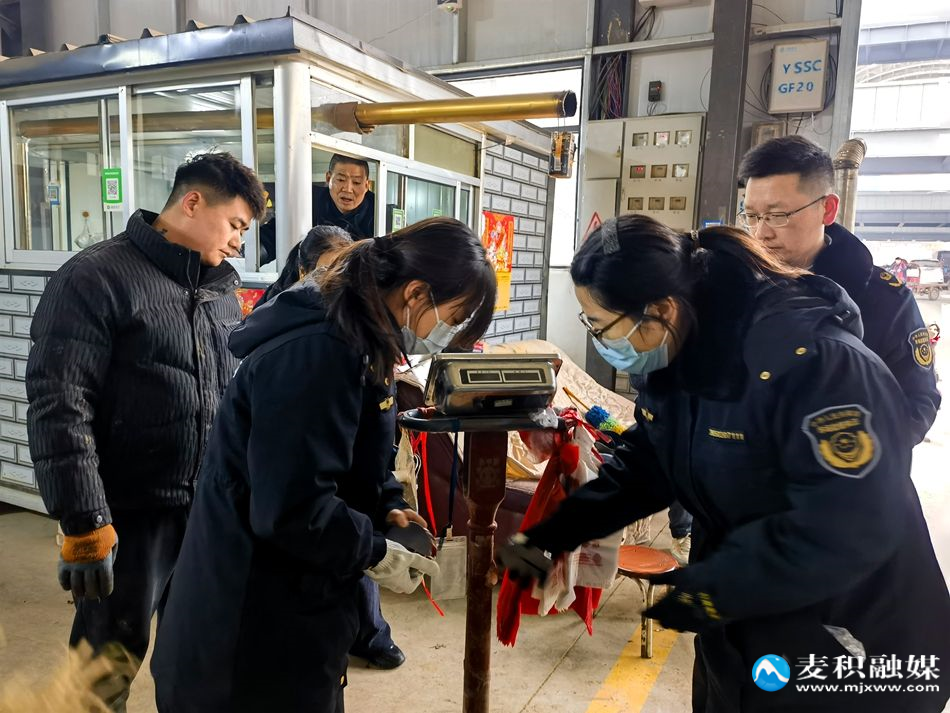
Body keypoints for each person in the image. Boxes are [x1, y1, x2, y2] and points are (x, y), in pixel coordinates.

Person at [498, 215, 950, 713]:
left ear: (661, 310)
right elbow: (649, 465)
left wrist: (716, 592)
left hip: (851, 638)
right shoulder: (683, 357)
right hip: (747, 633)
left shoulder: (817, 364)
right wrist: (553, 534)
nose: (600, 341)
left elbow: (848, 524)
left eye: (601, 325)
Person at [151, 217, 496, 713]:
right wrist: (375, 551)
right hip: (247, 630)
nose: (449, 334)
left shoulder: (364, 338)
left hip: (296, 606)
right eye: (455, 317)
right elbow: (292, 508)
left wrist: (386, 504)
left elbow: (354, 454)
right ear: (417, 293)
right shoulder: (317, 351)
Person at [25, 152, 267, 711]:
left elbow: (226, 396)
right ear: (192, 203)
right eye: (235, 225)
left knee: (196, 658)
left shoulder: (221, 290)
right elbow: (60, 405)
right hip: (129, 515)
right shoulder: (95, 277)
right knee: (106, 661)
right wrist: (85, 522)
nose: (239, 243)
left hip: (206, 511)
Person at [254, 224, 410, 670]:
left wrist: (389, 499)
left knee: (353, 559)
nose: (343, 281)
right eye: (330, 270)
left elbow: (374, 433)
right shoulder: (299, 342)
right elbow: (292, 498)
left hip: (346, 504)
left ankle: (369, 633)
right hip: (307, 516)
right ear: (304, 273)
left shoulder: (366, 335)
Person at [739, 136, 940, 444]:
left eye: (778, 216)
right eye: (752, 216)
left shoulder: (885, 301)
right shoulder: (737, 286)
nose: (761, 233)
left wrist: (839, 454)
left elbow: (916, 405)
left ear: (828, 209)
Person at [259, 153, 376, 264]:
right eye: (341, 180)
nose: (348, 189)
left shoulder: (377, 211)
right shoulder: (309, 200)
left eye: (356, 182)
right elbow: (274, 235)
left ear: (367, 185)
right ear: (328, 178)